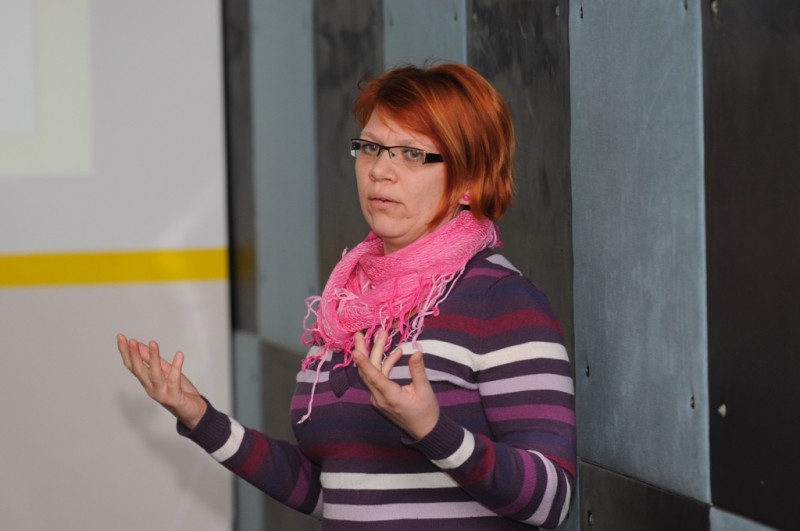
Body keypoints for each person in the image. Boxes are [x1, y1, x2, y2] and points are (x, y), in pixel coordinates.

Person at [117, 63, 576, 529]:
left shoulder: (501, 300)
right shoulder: (348, 307)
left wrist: (432, 430)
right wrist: (202, 418)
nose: (379, 170)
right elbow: (330, 488)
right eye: (370, 147)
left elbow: (552, 500)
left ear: (469, 183)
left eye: (411, 154)